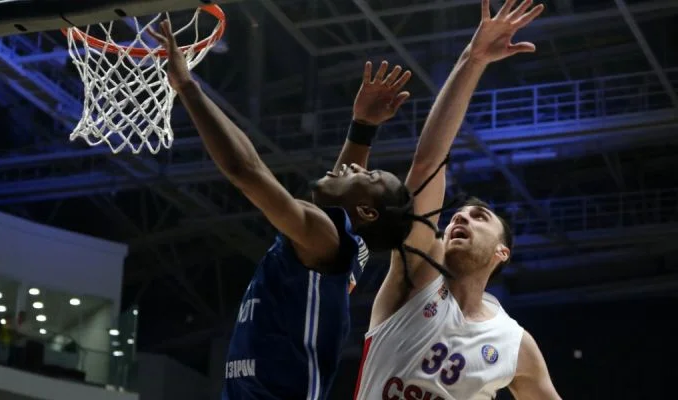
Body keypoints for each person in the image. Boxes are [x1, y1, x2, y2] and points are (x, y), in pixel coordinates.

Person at [147, 21, 430, 400]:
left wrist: (187, 87)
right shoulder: (341, 251)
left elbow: (246, 171)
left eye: (369, 175)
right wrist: (362, 127)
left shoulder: (326, 241)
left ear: (368, 211)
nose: (357, 167)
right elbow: (337, 199)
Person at [350, 1, 562, 399]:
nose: (460, 219)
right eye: (456, 217)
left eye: (479, 217)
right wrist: (472, 59)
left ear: (502, 252)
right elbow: (428, 162)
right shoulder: (418, 270)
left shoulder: (514, 344)